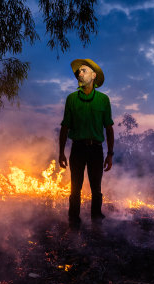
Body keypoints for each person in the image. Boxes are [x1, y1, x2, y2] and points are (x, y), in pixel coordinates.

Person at [59, 58, 115, 224]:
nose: (80, 74)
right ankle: (73, 219)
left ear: (93, 76)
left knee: (96, 188)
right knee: (75, 188)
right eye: (79, 72)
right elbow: (65, 127)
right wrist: (61, 152)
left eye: (84, 71)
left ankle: (96, 217)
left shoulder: (103, 100)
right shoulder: (71, 99)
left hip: (96, 150)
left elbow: (109, 128)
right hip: (77, 149)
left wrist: (110, 154)